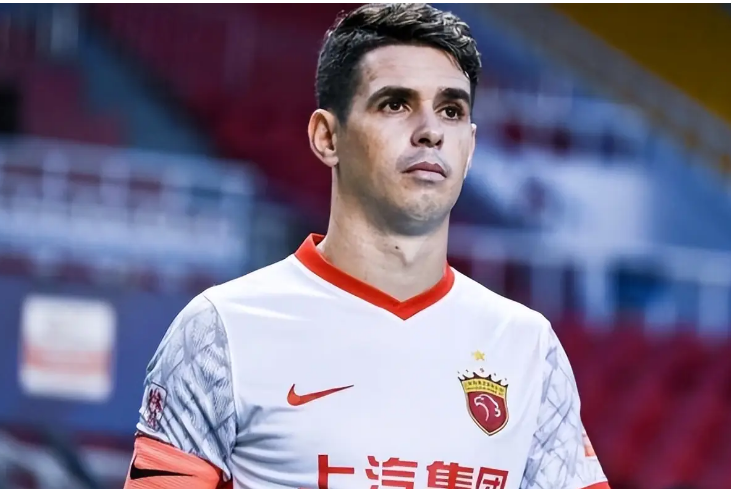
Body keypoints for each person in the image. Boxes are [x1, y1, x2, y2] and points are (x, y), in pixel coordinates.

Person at [124, 4, 611, 489]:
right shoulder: (220, 330)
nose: (431, 131)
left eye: (451, 110)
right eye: (395, 104)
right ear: (327, 137)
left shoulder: (529, 347)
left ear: (470, 147)